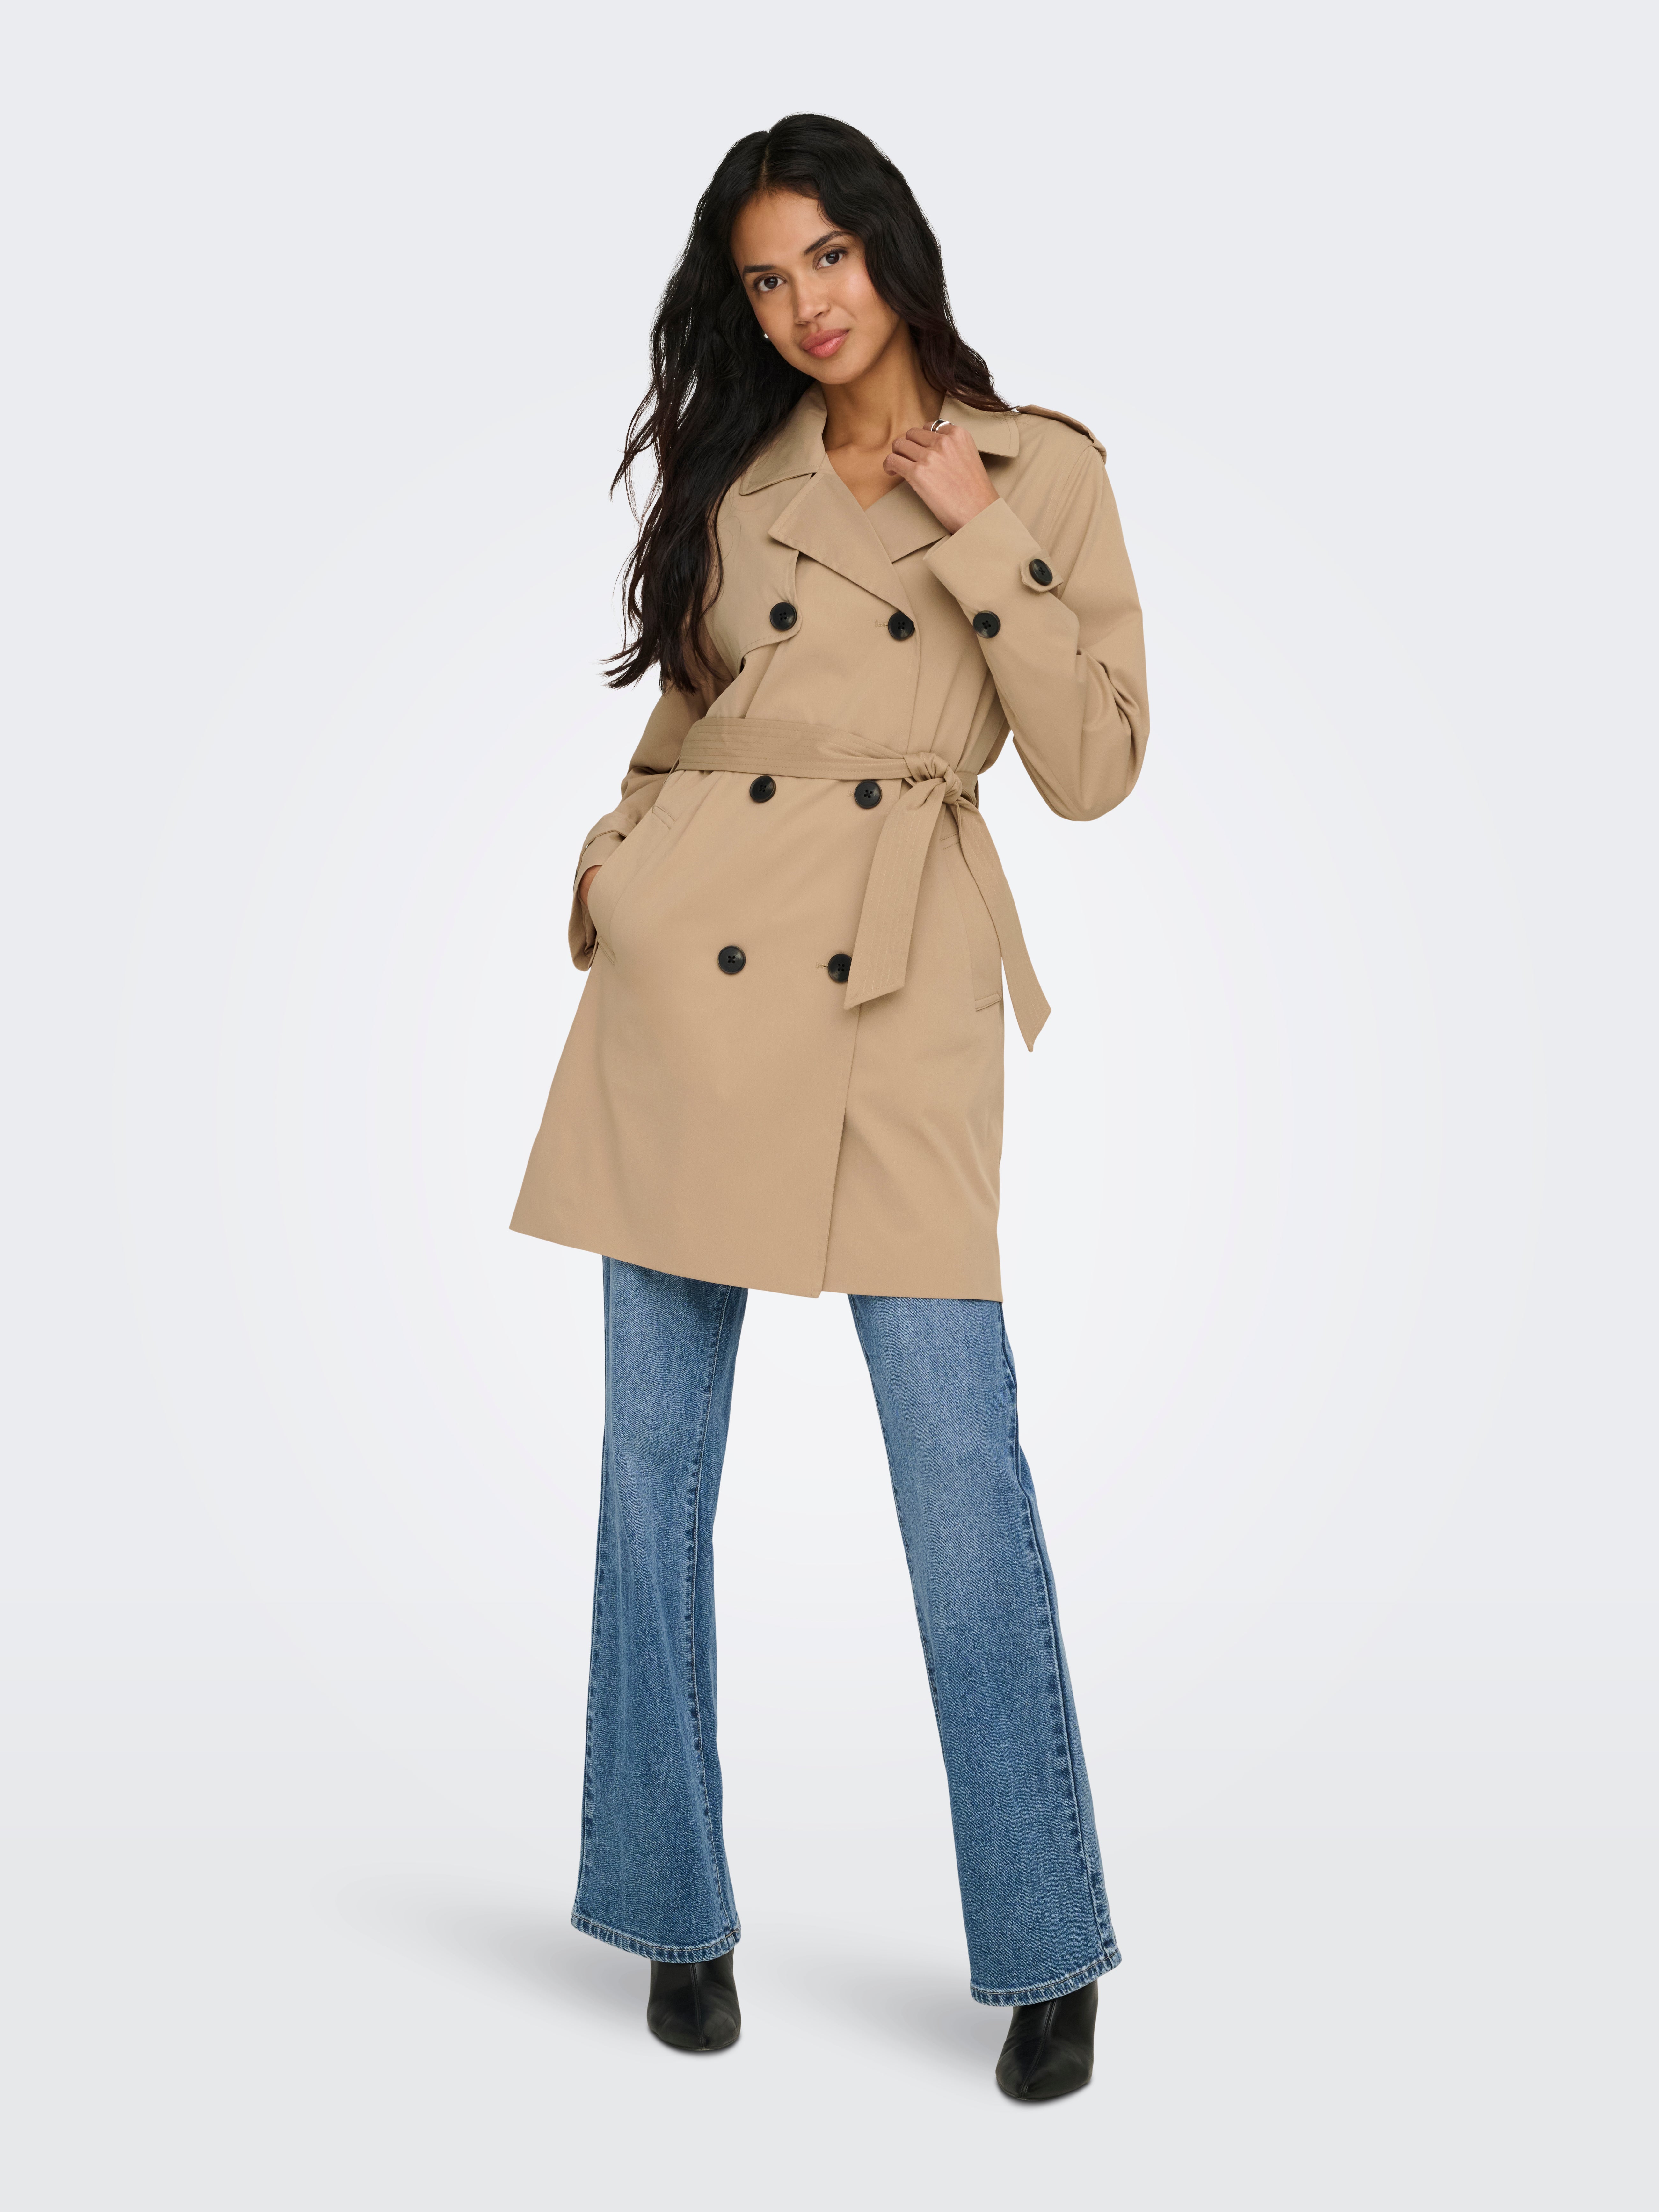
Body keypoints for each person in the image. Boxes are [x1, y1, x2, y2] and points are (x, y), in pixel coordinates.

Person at [511, 113, 1149, 2101]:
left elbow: (1095, 766)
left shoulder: (1042, 469)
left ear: (892, 247)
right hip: (681, 998)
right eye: (765, 279)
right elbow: (686, 719)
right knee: (650, 1481)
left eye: (827, 259)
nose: (803, 305)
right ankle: (669, 1912)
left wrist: (972, 529)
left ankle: (1044, 1945)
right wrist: (614, 876)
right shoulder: (741, 476)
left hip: (896, 990)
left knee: (961, 1481)